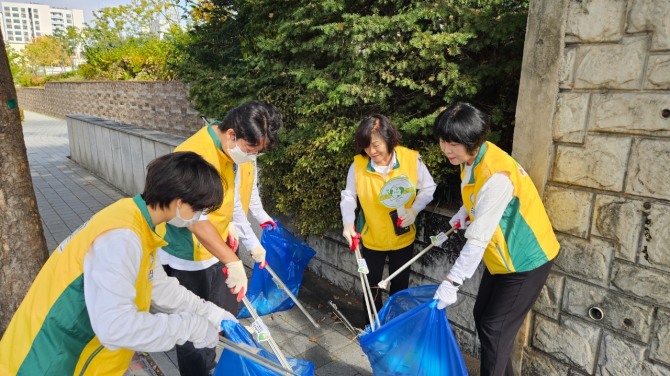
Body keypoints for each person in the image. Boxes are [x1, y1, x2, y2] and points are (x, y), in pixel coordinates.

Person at [0, 152, 239, 375]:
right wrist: (189, 327)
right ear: (179, 201)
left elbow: (157, 285)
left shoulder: (136, 220)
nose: (198, 217)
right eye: (198, 208)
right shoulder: (122, 238)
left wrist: (210, 313)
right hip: (49, 360)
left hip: (71, 353)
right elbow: (115, 327)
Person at [431, 103, 560, 376]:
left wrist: (451, 282)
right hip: (502, 256)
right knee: (484, 318)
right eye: (443, 141)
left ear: (472, 141)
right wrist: (465, 212)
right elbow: (478, 195)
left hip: (526, 258)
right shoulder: (471, 159)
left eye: (453, 143)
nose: (446, 149)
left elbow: (477, 239)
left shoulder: (496, 175)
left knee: (494, 327)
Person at [156, 100, 281, 376]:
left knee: (213, 319)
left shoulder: (232, 155)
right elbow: (193, 218)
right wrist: (232, 260)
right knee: (192, 328)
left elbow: (234, 199)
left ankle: (208, 364)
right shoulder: (194, 155)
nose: (252, 157)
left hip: (215, 250)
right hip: (186, 257)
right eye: (251, 150)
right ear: (231, 135)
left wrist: (242, 236)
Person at [340, 114, 436, 309]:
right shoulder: (358, 165)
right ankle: (372, 326)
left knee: (400, 286)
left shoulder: (411, 159)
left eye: (376, 145)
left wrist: (415, 210)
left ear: (389, 137)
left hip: (403, 236)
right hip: (372, 237)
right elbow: (349, 196)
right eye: (366, 146)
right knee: (371, 285)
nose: (371, 151)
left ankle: (395, 327)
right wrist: (348, 223)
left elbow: (428, 187)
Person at [234, 158, 277, 268]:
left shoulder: (250, 158)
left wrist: (262, 216)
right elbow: (232, 203)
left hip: (232, 230)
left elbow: (251, 188)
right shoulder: (232, 158)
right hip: (214, 231)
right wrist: (252, 243)